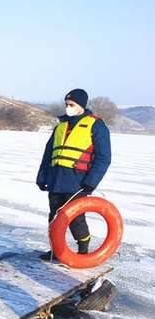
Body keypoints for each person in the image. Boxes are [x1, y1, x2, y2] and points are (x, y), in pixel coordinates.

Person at [36, 89, 111, 259]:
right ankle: (56, 250)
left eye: (71, 104)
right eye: (66, 104)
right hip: (56, 179)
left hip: (78, 182)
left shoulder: (96, 125)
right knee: (54, 217)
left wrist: (91, 181)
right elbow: (48, 155)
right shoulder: (60, 126)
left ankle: (83, 250)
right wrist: (42, 177)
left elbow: (104, 157)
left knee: (75, 218)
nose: (68, 107)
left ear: (81, 106)